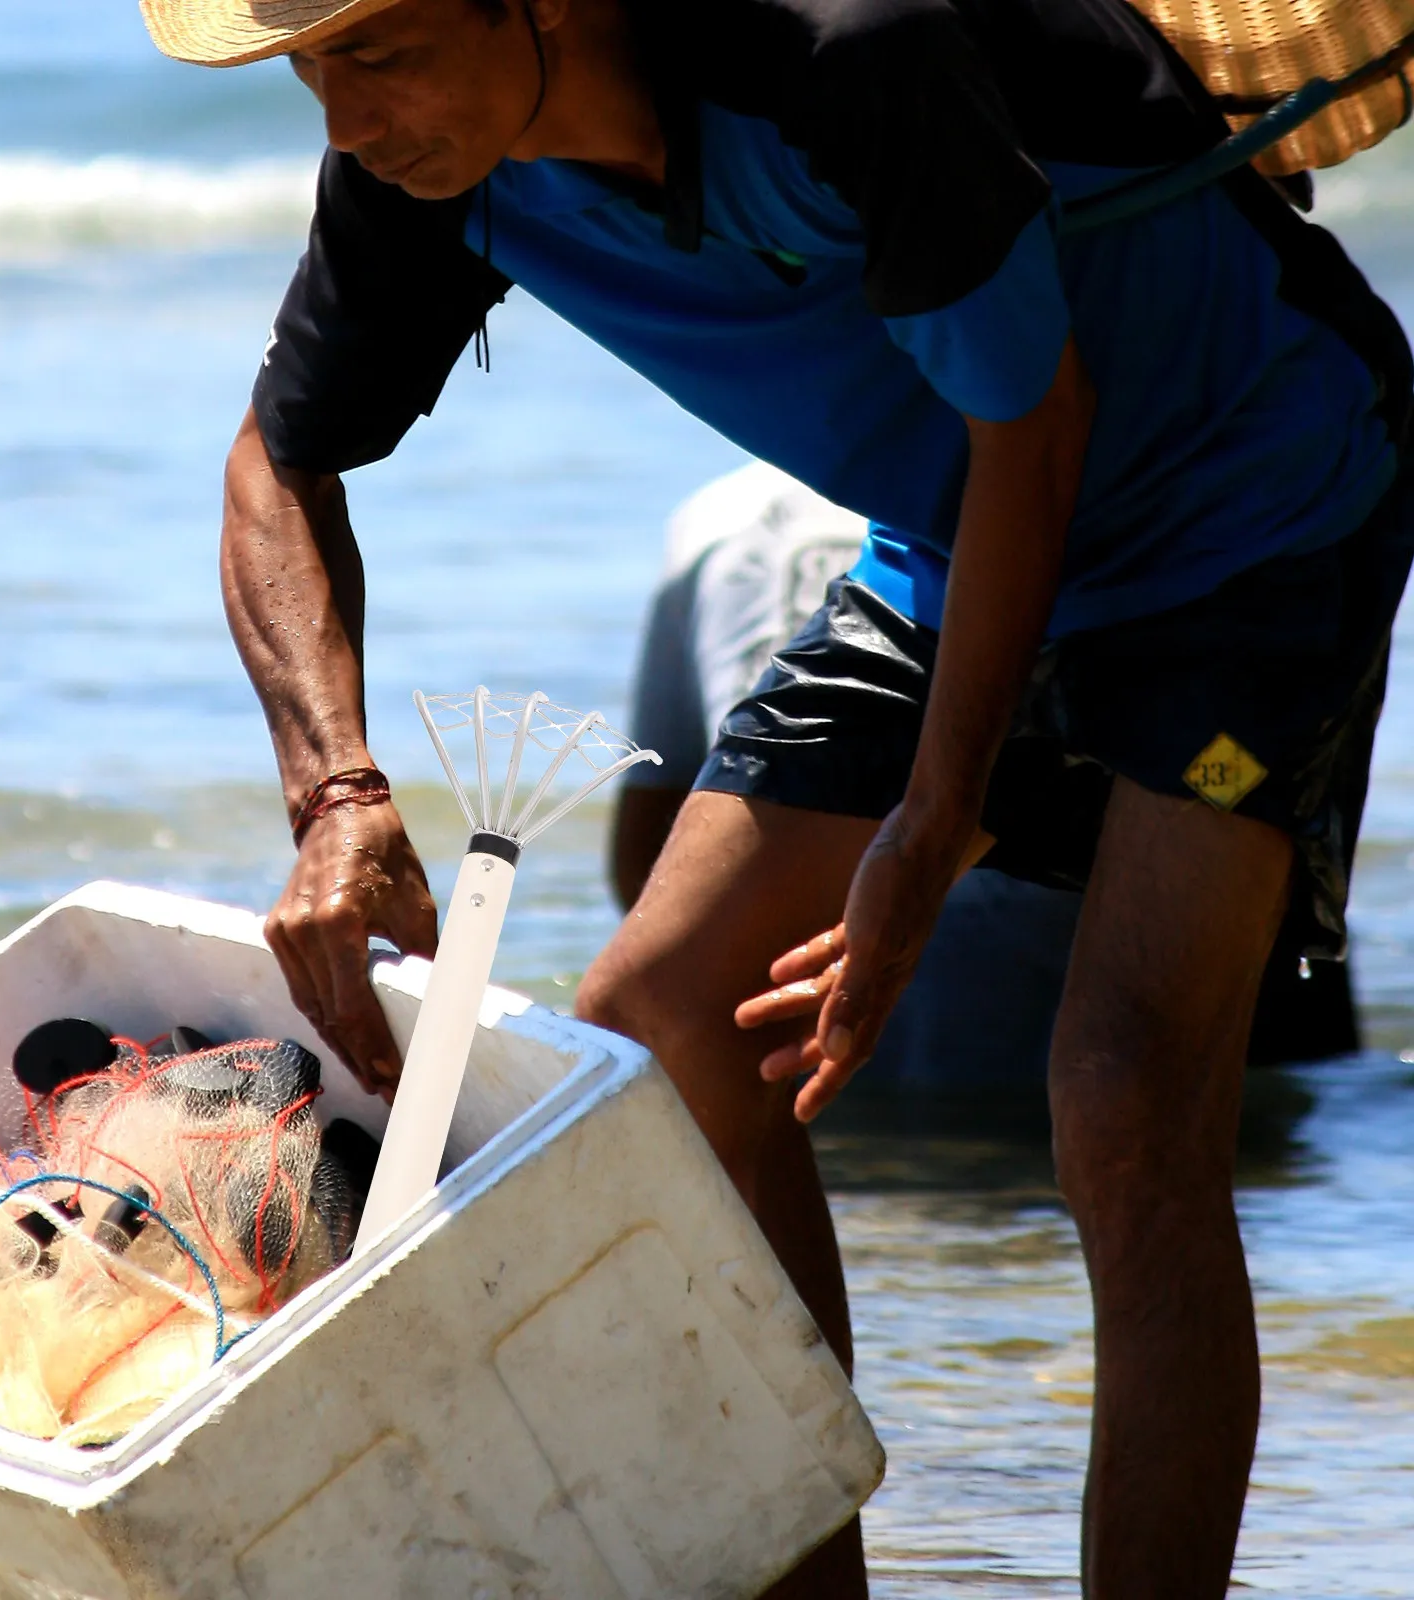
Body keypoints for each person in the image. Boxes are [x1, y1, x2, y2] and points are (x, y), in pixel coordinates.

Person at [141, 0, 1412, 1592]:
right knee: (664, 1025)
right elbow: (276, 463)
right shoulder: (428, 172)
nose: (343, 118)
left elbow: (1038, 425)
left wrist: (929, 831)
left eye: (378, 52)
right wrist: (336, 793)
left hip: (1251, 502)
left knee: (1124, 1101)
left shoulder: (842, 56)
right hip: (959, 544)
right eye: (307, 70)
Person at [615, 462, 1362, 1094]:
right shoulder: (1156, 486)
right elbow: (1245, 785)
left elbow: (647, 862)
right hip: (1099, 1044)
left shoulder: (719, 519)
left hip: (814, 1049)